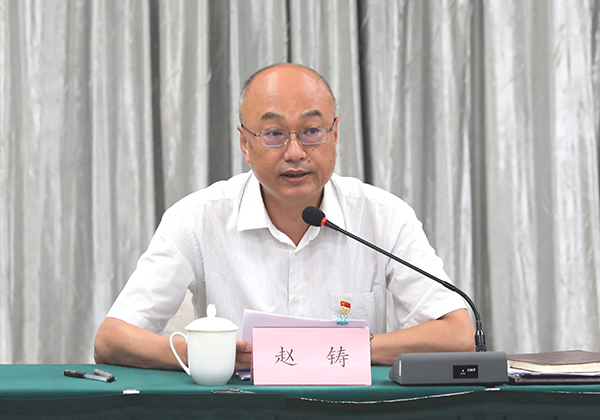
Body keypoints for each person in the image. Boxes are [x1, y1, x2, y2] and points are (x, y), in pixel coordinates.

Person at [94, 63, 475, 372]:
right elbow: (111, 339)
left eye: (311, 131)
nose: (295, 152)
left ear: (334, 135)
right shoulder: (196, 219)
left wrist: (348, 347)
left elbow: (458, 334)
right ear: (245, 143)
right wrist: (200, 353)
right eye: (274, 133)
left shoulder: (384, 217)